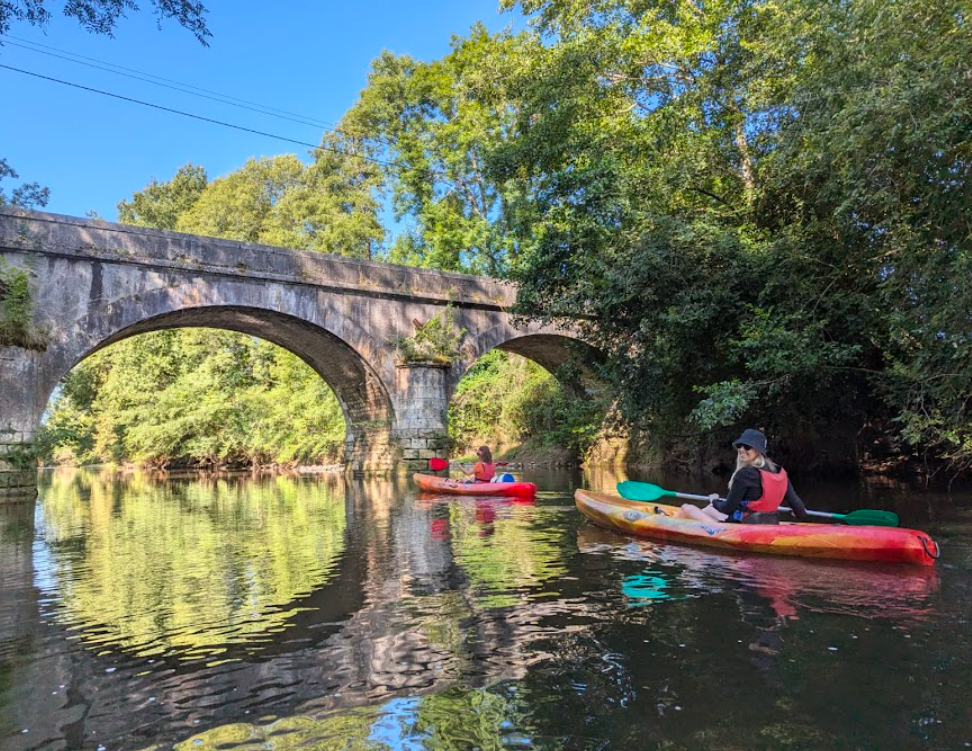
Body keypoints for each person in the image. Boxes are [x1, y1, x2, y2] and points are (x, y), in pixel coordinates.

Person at [675, 429, 809, 524]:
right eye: (739, 445)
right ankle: (682, 519)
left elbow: (728, 508)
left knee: (687, 508)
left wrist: (714, 500)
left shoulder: (745, 474)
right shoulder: (780, 472)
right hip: (770, 523)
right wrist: (797, 514)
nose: (741, 449)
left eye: (747, 446)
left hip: (745, 527)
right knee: (709, 510)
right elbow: (800, 510)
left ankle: (673, 522)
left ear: (758, 450)